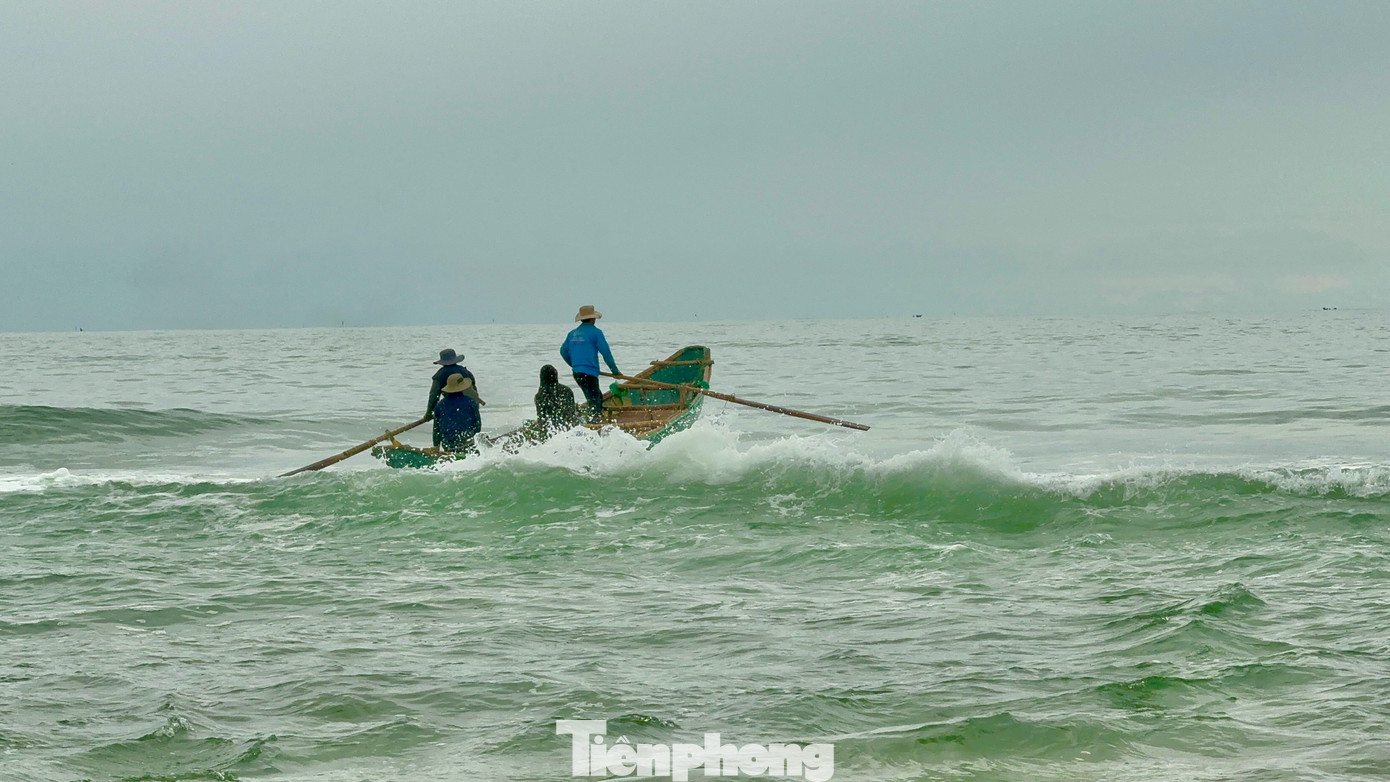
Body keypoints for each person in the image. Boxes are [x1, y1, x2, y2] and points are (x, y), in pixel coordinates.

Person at [560, 305, 619, 422]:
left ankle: (595, 419)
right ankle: (595, 426)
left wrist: (574, 365)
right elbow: (606, 353)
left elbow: (563, 351)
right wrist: (615, 371)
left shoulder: (572, 333)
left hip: (577, 373)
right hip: (590, 374)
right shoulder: (596, 333)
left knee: (595, 397)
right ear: (593, 319)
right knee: (595, 401)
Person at [426, 348, 484, 421]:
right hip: (472, 403)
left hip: (453, 405)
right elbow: (474, 388)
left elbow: (434, 395)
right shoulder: (465, 371)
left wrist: (429, 413)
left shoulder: (439, 375)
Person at [433, 373, 482, 452]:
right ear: (463, 387)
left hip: (448, 447)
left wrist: (436, 447)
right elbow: (477, 426)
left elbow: (436, 431)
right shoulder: (471, 402)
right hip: (468, 444)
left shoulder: (439, 406)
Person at [534, 364, 581, 433]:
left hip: (550, 429)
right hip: (569, 426)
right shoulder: (567, 390)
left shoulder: (540, 395)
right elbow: (571, 411)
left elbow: (542, 418)